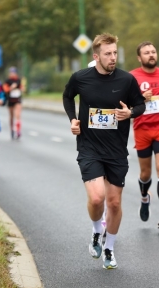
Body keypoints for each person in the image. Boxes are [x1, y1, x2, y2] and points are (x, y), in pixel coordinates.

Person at [63, 33, 145, 269]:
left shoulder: (126, 80)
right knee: (98, 198)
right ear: (96, 56)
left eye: (115, 53)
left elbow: (140, 104)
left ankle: (109, 249)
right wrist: (73, 120)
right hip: (89, 147)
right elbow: (68, 97)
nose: (112, 58)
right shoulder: (81, 78)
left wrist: (130, 113)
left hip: (117, 150)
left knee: (115, 204)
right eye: (108, 54)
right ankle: (96, 230)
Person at [130, 42, 159, 229]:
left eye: (153, 52)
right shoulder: (132, 77)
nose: (151, 55)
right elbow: (126, 102)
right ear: (140, 58)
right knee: (145, 173)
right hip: (142, 129)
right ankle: (144, 197)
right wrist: (141, 99)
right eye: (146, 53)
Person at [2, 67, 24, 139]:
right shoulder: (7, 81)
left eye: (14, 72)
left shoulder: (18, 80)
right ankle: (11, 129)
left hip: (17, 99)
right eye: (11, 72)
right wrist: (11, 88)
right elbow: (5, 89)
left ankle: (18, 130)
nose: (12, 74)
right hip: (10, 100)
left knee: (18, 115)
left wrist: (21, 89)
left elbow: (22, 87)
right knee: (11, 116)